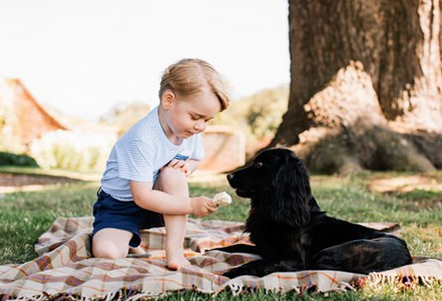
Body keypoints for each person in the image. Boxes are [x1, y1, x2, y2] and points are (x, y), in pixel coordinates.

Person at [91, 58, 230, 270]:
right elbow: (142, 196)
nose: (201, 126)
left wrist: (186, 168)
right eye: (196, 117)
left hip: (161, 200)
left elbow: (194, 159)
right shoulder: (142, 139)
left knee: (173, 174)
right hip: (121, 205)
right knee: (107, 253)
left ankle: (174, 252)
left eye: (207, 120)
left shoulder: (188, 130)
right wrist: (192, 205)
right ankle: (126, 236)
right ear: (168, 100)